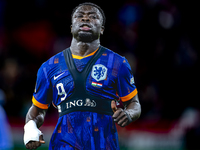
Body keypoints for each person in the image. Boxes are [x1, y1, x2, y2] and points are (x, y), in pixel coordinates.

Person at [23, 2, 141, 150]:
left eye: (93, 17)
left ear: (102, 29)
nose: (85, 19)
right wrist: (31, 128)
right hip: (63, 145)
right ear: (71, 27)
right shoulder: (49, 67)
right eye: (79, 16)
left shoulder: (118, 63)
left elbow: (134, 104)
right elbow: (37, 110)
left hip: (104, 145)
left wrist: (128, 114)